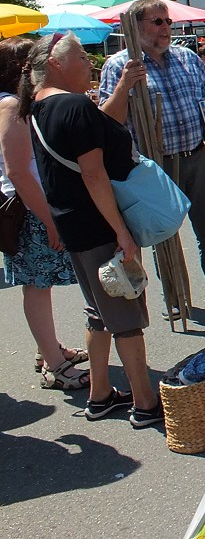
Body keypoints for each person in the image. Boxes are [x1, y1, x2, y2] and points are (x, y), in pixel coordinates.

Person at [22, 32, 163, 427]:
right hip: (97, 223)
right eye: (82, 57)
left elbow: (102, 126)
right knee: (125, 312)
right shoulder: (71, 105)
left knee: (99, 311)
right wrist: (120, 230)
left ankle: (100, 394)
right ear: (55, 63)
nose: (90, 63)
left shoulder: (39, 107)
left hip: (73, 224)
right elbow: (93, 172)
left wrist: (120, 87)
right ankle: (145, 402)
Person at [99, 0, 205, 312]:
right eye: (158, 22)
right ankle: (174, 294)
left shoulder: (186, 57)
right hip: (153, 165)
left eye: (168, 21)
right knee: (163, 232)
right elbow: (105, 121)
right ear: (136, 26)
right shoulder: (119, 65)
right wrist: (124, 87)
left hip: (194, 154)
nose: (166, 28)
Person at [0, 38, 87, 390]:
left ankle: (48, 349)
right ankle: (54, 364)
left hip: (33, 205)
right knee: (37, 285)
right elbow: (18, 171)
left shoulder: (12, 103)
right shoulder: (10, 105)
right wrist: (50, 220)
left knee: (41, 284)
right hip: (29, 209)